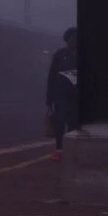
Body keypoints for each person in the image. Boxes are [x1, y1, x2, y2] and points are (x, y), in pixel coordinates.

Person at [44, 27, 79, 157]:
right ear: (67, 40)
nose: (74, 41)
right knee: (60, 122)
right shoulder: (59, 55)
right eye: (72, 38)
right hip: (60, 95)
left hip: (75, 96)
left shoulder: (83, 55)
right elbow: (52, 76)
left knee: (73, 122)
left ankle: (71, 148)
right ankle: (59, 148)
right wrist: (49, 98)